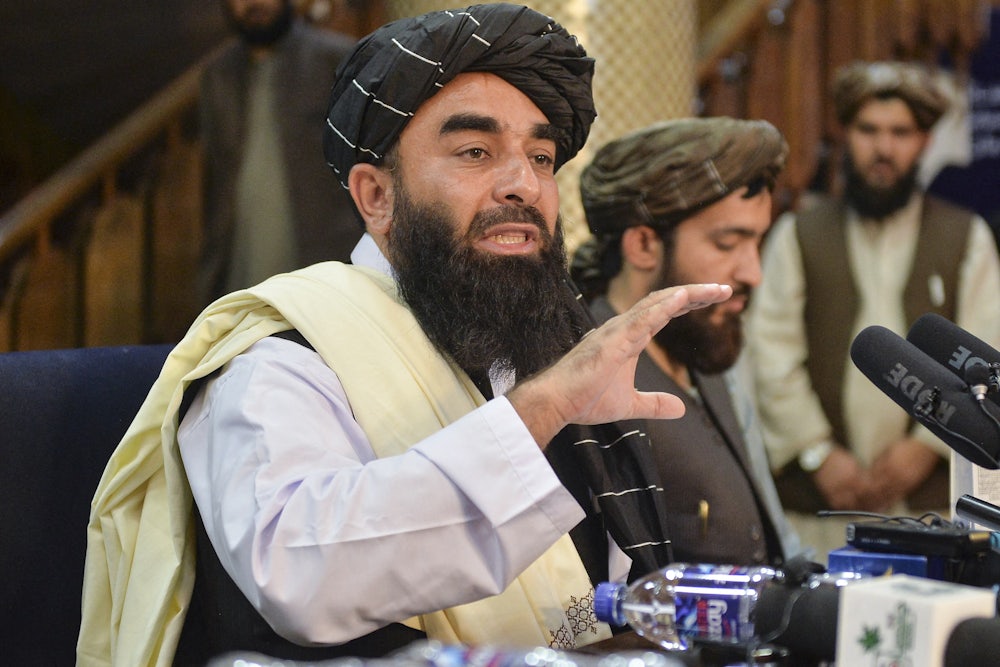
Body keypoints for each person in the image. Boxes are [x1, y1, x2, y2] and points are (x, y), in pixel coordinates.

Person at [77, 5, 734, 665]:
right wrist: (543, 409)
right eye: (476, 151)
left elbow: (618, 605)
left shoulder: (533, 344)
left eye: (540, 155)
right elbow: (303, 577)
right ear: (376, 196)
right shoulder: (279, 359)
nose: (524, 184)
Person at [746, 60, 1000, 557]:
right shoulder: (800, 233)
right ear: (846, 135)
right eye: (869, 130)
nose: (884, 148)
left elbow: (985, 356)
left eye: (900, 132)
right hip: (821, 510)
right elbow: (770, 353)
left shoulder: (965, 236)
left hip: (933, 505)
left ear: (924, 141)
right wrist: (818, 453)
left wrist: (926, 448)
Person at [571, 118, 800, 567]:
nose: (752, 273)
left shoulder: (705, 345)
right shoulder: (585, 380)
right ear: (643, 245)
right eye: (727, 243)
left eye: (757, 243)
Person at [199, 0, 359, 303]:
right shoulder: (217, 75)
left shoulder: (336, 59)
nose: (254, 4)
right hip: (237, 268)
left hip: (326, 269)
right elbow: (214, 183)